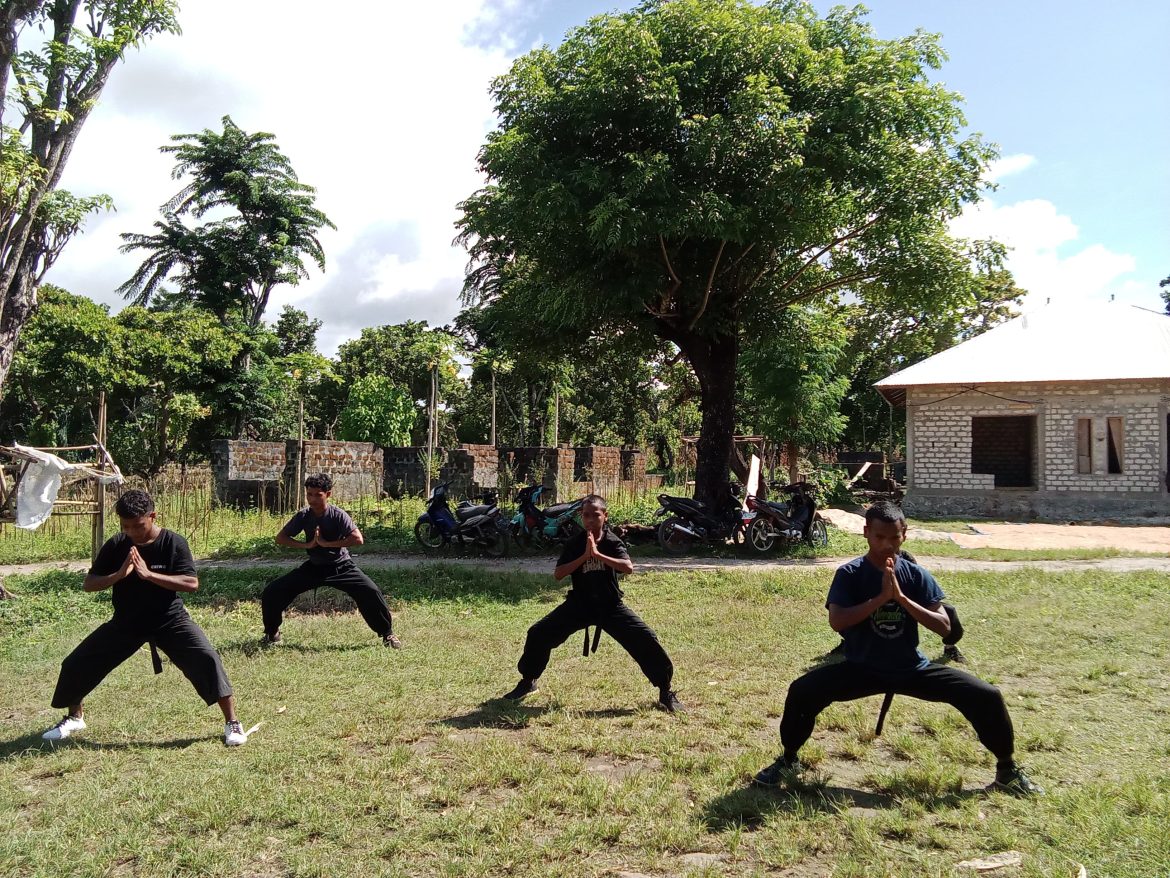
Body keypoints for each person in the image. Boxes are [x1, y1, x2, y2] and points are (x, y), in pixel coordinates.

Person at [753, 500, 1041, 795]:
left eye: (894, 537)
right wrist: (880, 598)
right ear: (866, 533)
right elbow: (837, 621)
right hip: (861, 669)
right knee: (802, 691)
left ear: (905, 534)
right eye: (879, 537)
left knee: (986, 696)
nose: (886, 544)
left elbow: (944, 626)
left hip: (911, 669)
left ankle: (1007, 770)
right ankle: (788, 760)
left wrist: (902, 598)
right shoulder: (850, 574)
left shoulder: (916, 575)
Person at [42, 489, 246, 746]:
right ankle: (74, 717)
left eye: (137, 525)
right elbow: (89, 584)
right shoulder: (117, 544)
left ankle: (232, 723)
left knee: (206, 658)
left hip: (169, 620)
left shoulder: (173, 543)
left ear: (152, 516)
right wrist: (118, 575)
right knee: (76, 663)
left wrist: (148, 575)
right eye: (125, 526)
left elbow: (191, 583)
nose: (131, 532)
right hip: (127, 623)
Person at [501, 494, 683, 712]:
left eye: (595, 515)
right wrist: (584, 557)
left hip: (610, 606)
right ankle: (528, 681)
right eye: (586, 515)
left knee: (646, 639)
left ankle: (665, 690)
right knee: (539, 633)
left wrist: (597, 554)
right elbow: (559, 574)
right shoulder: (575, 543)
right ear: (581, 517)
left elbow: (628, 567)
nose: (590, 520)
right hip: (579, 605)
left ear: (604, 516)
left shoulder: (612, 541)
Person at [260, 473, 400, 648]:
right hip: (314, 568)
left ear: (328, 494)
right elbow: (281, 538)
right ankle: (272, 634)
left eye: (317, 495)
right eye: (309, 494)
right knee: (273, 591)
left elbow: (358, 539)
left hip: (341, 566)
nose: (312, 499)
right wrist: (308, 545)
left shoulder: (338, 515)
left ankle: (387, 635)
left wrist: (328, 544)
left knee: (370, 591)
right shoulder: (304, 516)